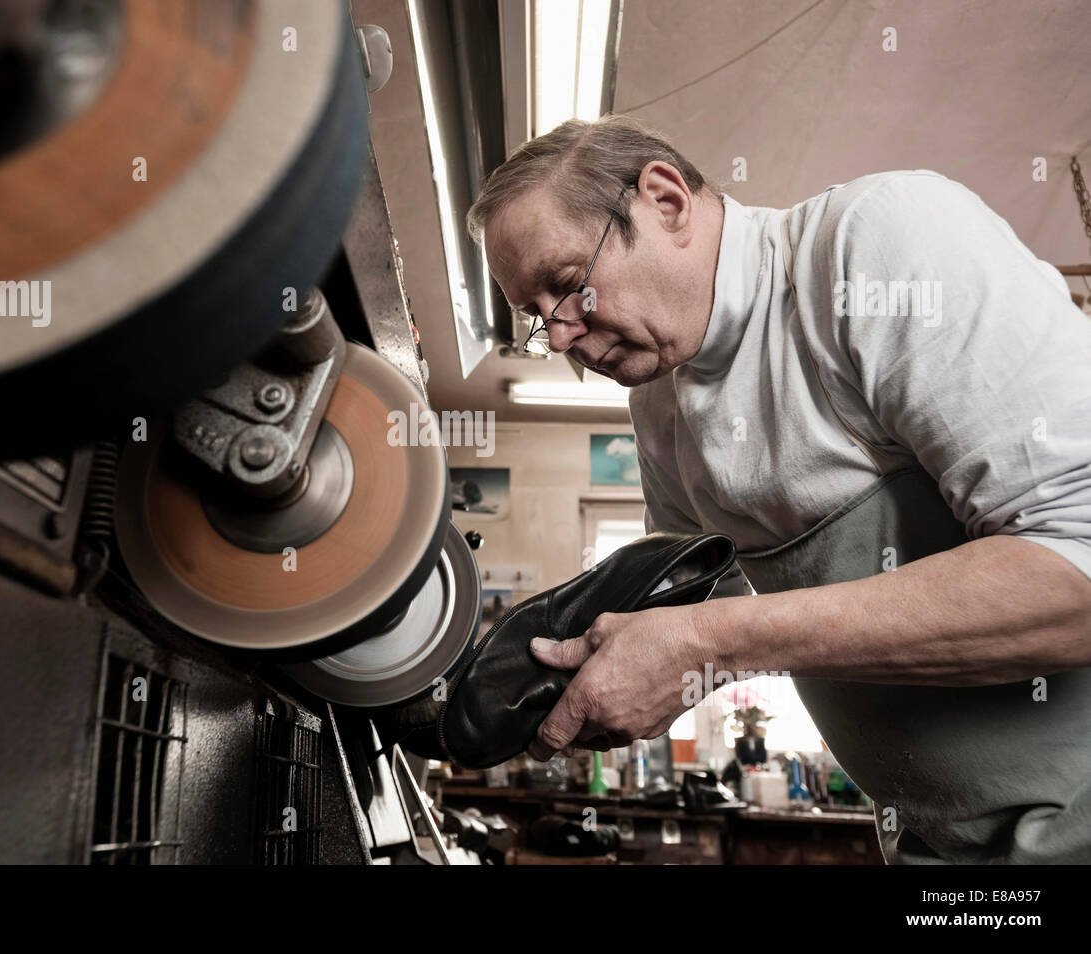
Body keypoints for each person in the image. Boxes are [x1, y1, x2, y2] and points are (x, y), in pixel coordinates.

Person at [466, 114, 1091, 863]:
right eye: (535, 317)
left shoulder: (875, 245)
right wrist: (597, 675)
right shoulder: (660, 409)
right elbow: (700, 614)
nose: (560, 336)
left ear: (665, 201)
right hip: (940, 846)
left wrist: (708, 644)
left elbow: (1076, 564)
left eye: (568, 286)